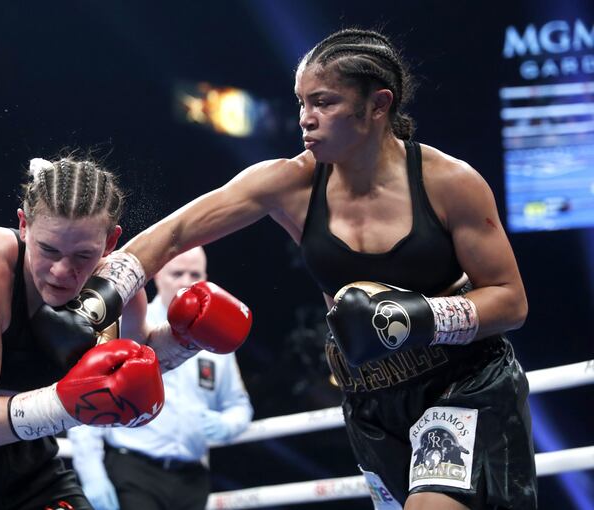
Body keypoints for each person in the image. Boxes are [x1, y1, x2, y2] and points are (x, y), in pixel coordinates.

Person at [82, 29, 537, 509]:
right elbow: (173, 234)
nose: (306, 119)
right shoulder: (291, 184)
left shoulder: (449, 184)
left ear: (378, 105)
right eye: (301, 103)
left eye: (323, 102)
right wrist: (94, 300)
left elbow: (510, 299)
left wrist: (417, 316)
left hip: (459, 380)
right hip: (371, 398)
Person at [0, 154, 252, 509]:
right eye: (49, 251)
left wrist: (187, 338)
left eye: (82, 255)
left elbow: (136, 357)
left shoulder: (115, 283)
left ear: (110, 242)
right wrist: (73, 403)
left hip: (23, 453)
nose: (63, 271)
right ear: (24, 225)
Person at [68, 247, 254, 510]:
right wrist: (92, 474)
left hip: (192, 478)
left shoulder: (215, 338)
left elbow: (239, 405)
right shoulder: (129, 325)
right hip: (133, 470)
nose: (186, 281)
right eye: (177, 273)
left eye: (194, 274)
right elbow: (91, 398)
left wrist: (227, 424)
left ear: (206, 277)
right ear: (158, 277)